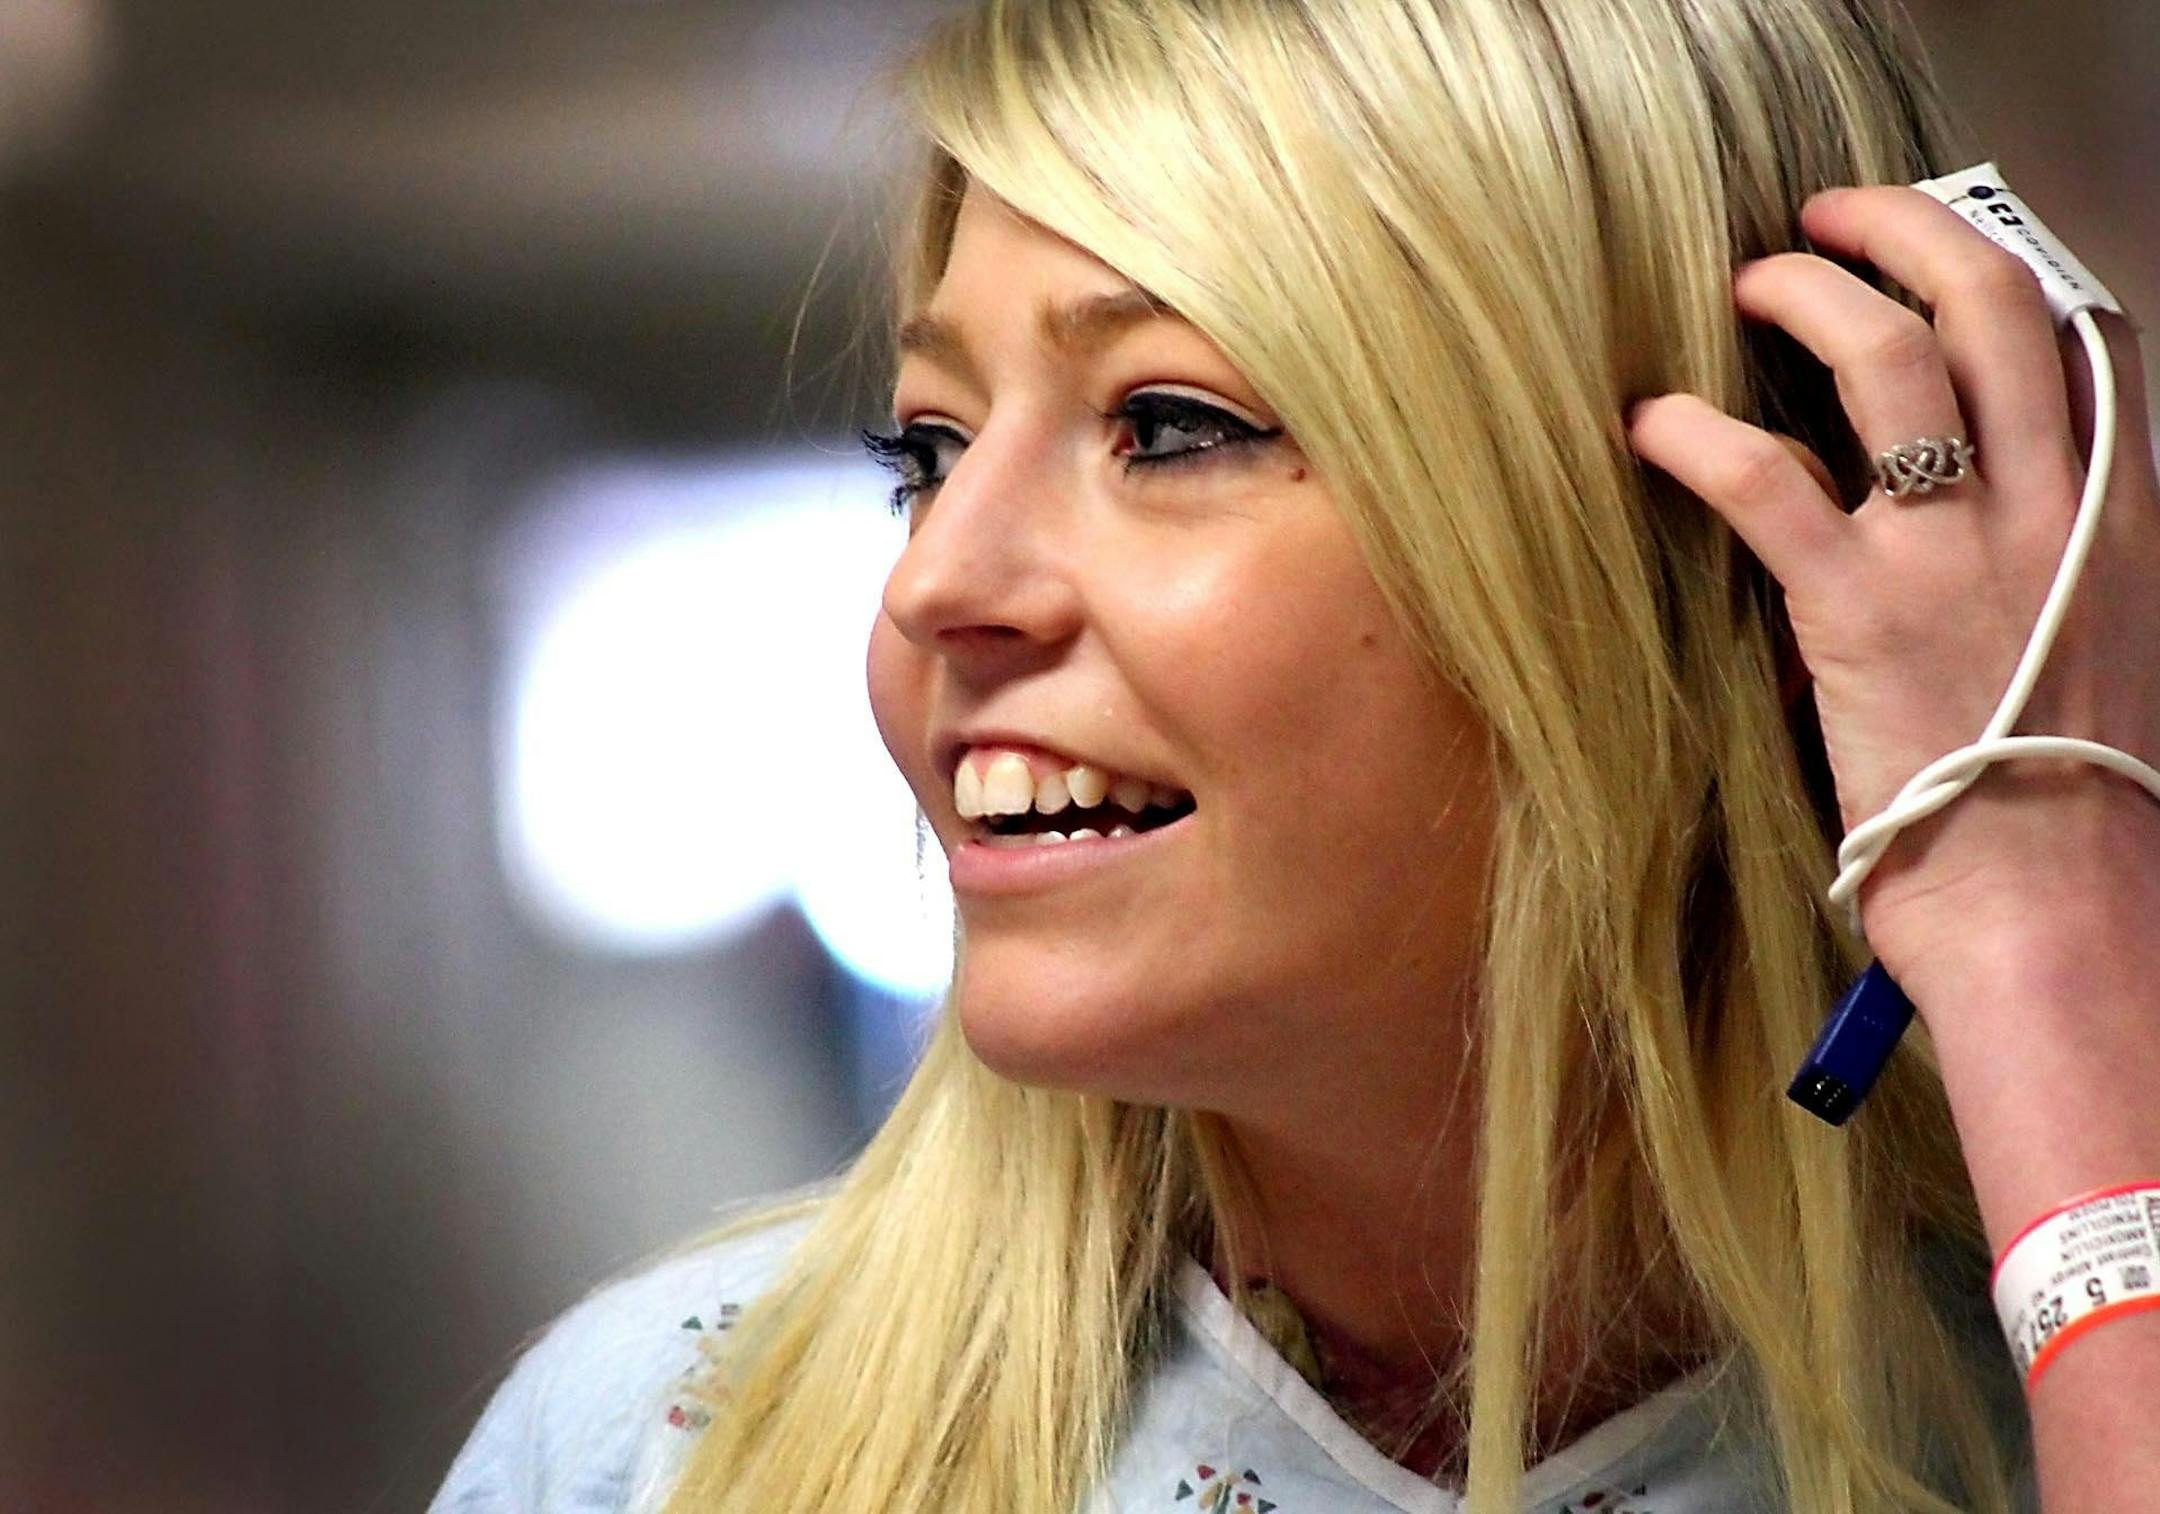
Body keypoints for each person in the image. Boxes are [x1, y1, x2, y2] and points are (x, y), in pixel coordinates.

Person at [434, 0, 2160, 1508]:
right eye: (930, 448)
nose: (935, 580)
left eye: (1169, 425)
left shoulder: (2057, 1381)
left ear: (1729, 555)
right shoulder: (657, 1446)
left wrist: (2043, 935)